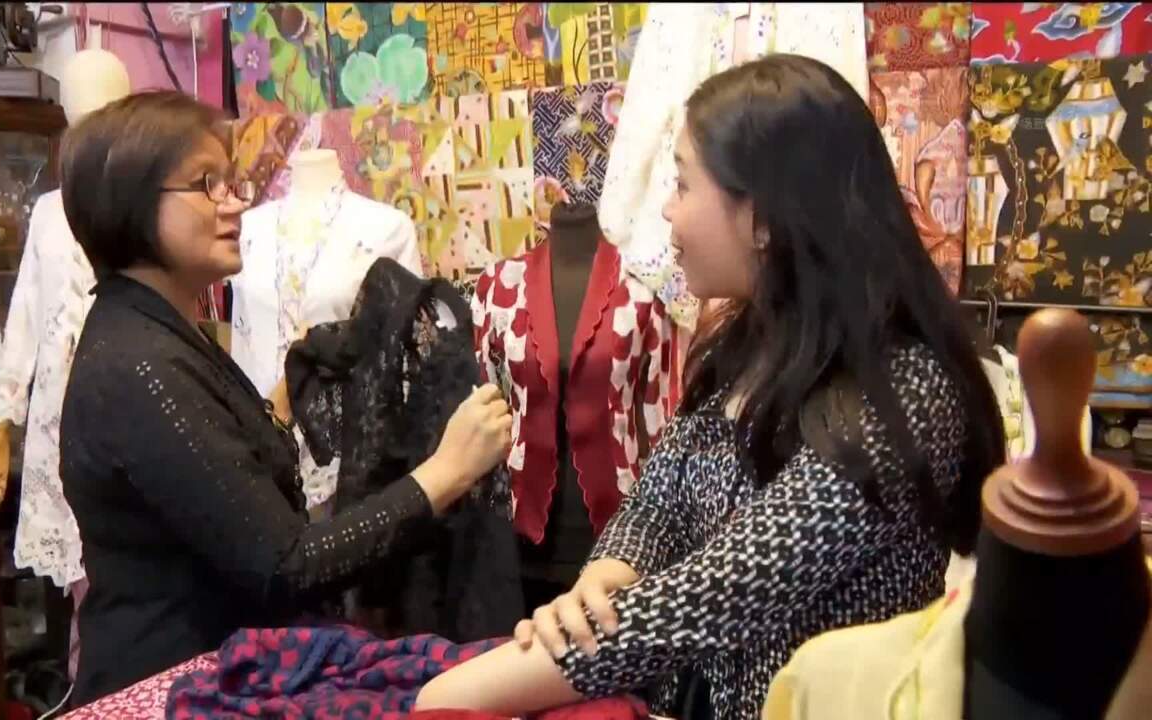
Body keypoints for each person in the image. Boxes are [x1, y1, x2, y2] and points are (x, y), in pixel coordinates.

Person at [414, 54, 1005, 720]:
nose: (667, 211)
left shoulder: (903, 395)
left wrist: (459, 691)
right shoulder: (746, 345)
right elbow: (659, 498)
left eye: (683, 184)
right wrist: (605, 577)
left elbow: (720, 593)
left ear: (763, 218)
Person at [56, 91, 513, 708]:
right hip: (173, 689)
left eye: (230, 182)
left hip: (215, 669)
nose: (234, 203)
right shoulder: (141, 366)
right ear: (131, 203)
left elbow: (217, 486)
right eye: (207, 184)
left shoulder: (163, 332)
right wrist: (445, 473)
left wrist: (282, 398)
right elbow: (285, 567)